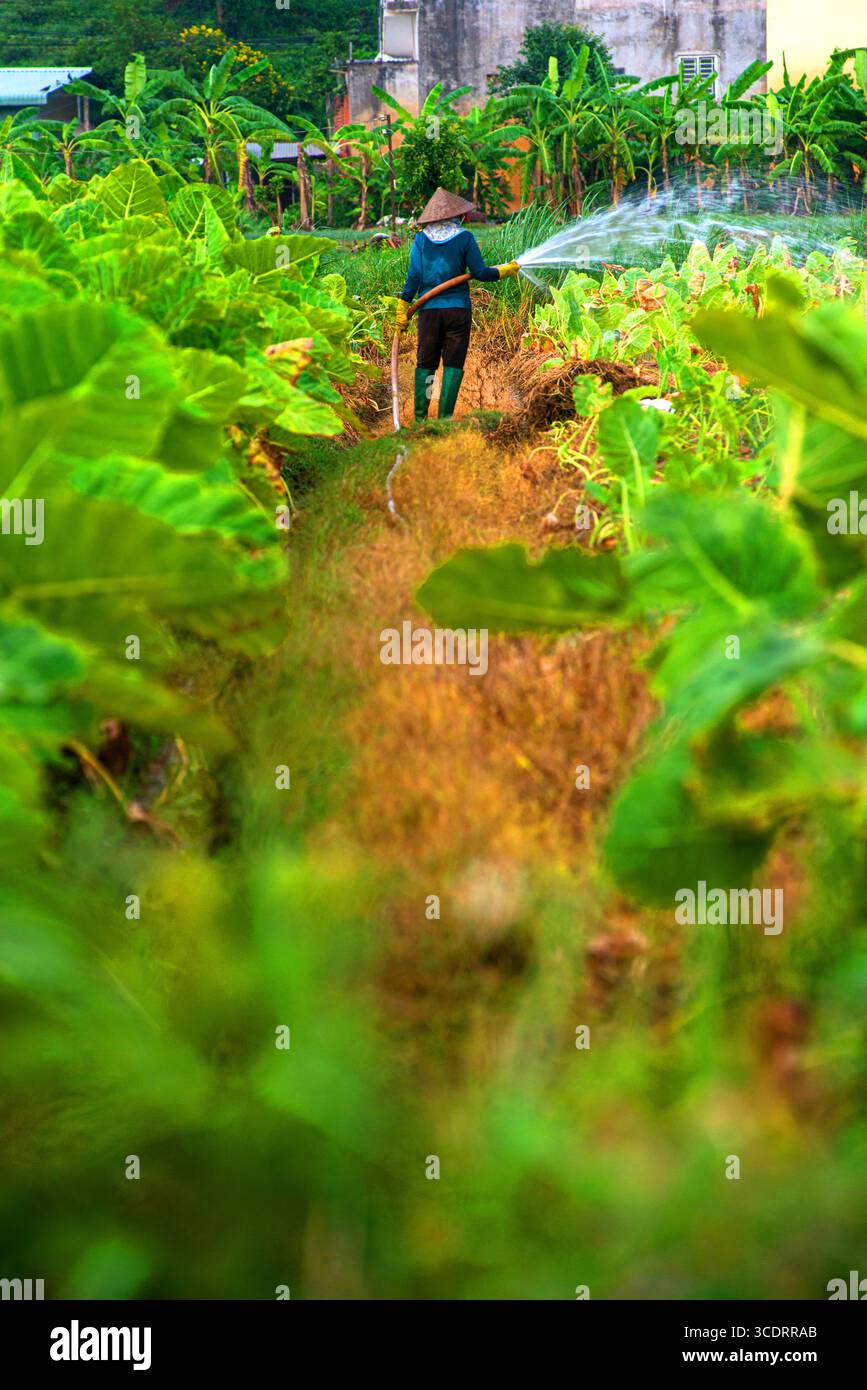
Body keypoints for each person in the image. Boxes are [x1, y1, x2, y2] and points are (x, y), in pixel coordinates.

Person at [395, 188, 520, 421]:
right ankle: (444, 419)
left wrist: (404, 307)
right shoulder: (465, 237)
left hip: (429, 312)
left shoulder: (421, 239)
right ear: (458, 215)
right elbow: (480, 273)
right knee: (452, 363)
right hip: (458, 311)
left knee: (427, 365)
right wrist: (504, 270)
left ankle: (422, 417)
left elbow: (413, 277)